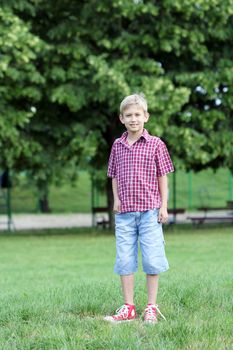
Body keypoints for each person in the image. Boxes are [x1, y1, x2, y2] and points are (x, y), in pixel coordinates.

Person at [104, 93, 174, 324]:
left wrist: (163, 206)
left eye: (137, 114)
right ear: (122, 118)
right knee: (124, 260)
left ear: (146, 116)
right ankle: (128, 308)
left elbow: (162, 177)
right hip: (124, 215)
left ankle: (151, 308)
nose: (133, 119)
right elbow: (114, 175)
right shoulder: (117, 145)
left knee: (152, 260)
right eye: (129, 115)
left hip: (150, 213)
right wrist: (116, 200)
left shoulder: (156, 144)